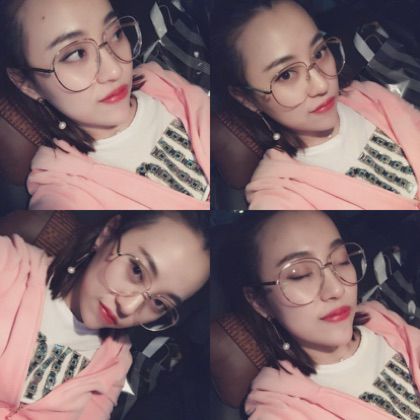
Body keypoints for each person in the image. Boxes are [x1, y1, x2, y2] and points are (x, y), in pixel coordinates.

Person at [0, 0, 210, 210]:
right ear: (26, 84)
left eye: (116, 34)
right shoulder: (66, 190)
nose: (115, 71)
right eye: (76, 54)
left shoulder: (159, 80)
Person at [212, 0, 420, 210]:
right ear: (246, 98)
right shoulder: (281, 194)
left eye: (319, 53)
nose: (321, 85)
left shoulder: (369, 95)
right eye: (286, 75)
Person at [0, 211, 209, 419]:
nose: (128, 308)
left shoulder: (115, 362)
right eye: (136, 270)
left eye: (159, 303)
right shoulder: (9, 266)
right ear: (107, 233)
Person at [220, 210, 420, 419]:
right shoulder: (281, 408)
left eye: (342, 260)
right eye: (300, 275)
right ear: (260, 302)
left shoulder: (381, 320)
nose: (337, 289)